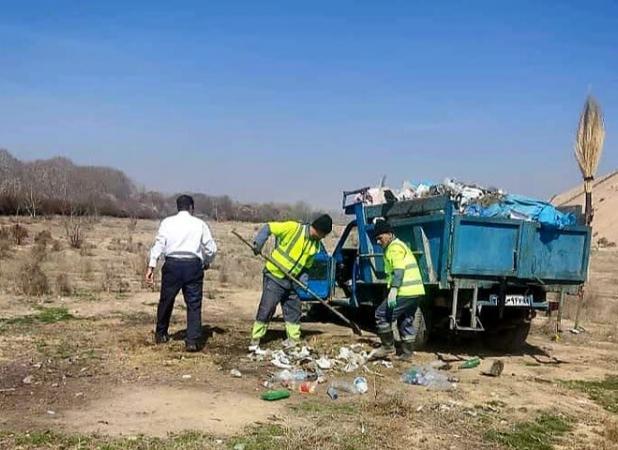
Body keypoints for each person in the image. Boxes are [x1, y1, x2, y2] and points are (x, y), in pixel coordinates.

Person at [249, 214, 333, 350]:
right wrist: (258, 243)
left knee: (294, 309)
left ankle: (293, 340)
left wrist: (303, 282)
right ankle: (256, 340)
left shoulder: (315, 245)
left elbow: (306, 267)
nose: (323, 238)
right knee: (267, 308)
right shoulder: (293, 228)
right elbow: (269, 227)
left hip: (292, 281)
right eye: (323, 235)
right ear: (318, 230)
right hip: (275, 276)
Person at [146, 195, 217, 352]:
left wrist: (151, 266)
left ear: (178, 207)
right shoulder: (200, 224)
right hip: (193, 265)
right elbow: (211, 248)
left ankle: (161, 334)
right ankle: (192, 341)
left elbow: (159, 244)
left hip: (172, 265)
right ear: (191, 207)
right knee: (193, 304)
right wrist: (206, 261)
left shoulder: (167, 223)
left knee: (166, 300)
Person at [371, 219, 425, 360]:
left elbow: (399, 271)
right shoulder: (400, 245)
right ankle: (407, 354)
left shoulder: (394, 248)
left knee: (381, 315)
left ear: (389, 234)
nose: (378, 242)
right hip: (415, 291)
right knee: (405, 320)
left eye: (379, 238)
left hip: (405, 291)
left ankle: (388, 347)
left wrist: (394, 289)